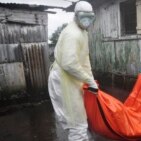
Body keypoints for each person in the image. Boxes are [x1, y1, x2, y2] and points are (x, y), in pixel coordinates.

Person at [48, 1, 98, 141]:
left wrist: (91, 80)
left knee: (82, 117)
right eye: (83, 16)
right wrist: (89, 80)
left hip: (71, 77)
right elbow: (69, 64)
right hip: (64, 79)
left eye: (90, 17)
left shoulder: (82, 32)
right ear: (76, 15)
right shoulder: (73, 33)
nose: (87, 20)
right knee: (76, 122)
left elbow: (85, 59)